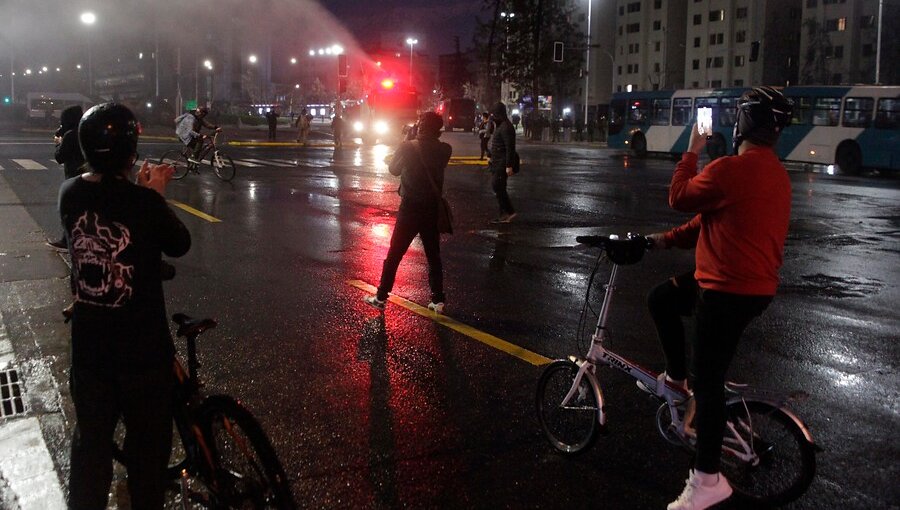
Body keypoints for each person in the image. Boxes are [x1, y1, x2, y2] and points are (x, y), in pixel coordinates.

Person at [645, 87, 793, 510]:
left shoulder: (731, 168)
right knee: (662, 300)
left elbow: (680, 198)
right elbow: (708, 220)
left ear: (744, 121)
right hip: (749, 287)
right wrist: (663, 243)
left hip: (726, 289)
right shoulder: (774, 173)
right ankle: (676, 379)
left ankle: (707, 481)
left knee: (707, 383)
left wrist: (692, 150)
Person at [60, 103, 191, 509]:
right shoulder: (144, 203)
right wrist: (153, 194)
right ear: (131, 151)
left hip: (90, 350)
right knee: (147, 457)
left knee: (91, 447)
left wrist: (139, 194)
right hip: (143, 353)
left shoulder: (70, 192)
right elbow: (179, 243)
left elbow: (106, 204)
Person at [364, 112, 451, 314]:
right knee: (433, 255)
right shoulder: (445, 149)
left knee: (395, 254)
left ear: (420, 126)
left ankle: (381, 296)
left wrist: (407, 140)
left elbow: (394, 170)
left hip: (410, 208)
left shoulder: (407, 146)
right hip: (431, 208)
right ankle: (438, 300)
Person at [47, 105, 86, 251]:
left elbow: (59, 157)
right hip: (87, 175)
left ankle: (66, 240)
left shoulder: (70, 135)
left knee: (70, 210)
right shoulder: (85, 130)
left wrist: (58, 143)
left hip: (73, 177)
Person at [487, 102, 517, 223]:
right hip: (497, 162)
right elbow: (496, 143)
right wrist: (490, 155)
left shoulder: (506, 127)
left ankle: (508, 212)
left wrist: (508, 165)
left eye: (494, 115)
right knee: (499, 187)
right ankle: (504, 213)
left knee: (497, 185)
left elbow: (510, 147)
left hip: (502, 162)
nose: (492, 117)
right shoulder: (500, 126)